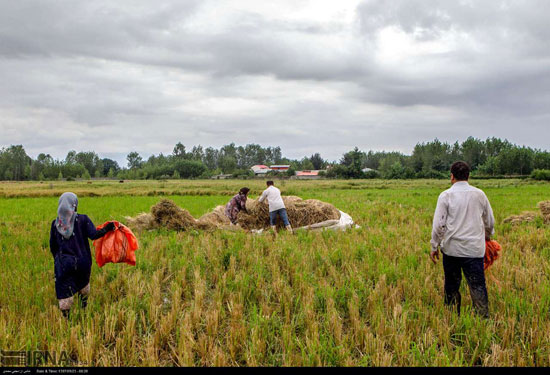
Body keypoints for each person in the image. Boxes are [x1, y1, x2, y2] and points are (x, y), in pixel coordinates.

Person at [430, 161, 495, 318]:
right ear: (468, 176)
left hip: (452, 250)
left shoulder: (446, 196)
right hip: (474, 250)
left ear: (452, 176)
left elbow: (439, 225)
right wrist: (487, 237)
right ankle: (483, 319)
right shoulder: (480, 194)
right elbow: (489, 221)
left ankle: (452, 317)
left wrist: (434, 246)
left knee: (452, 286)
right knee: (478, 285)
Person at [49, 192, 115, 318]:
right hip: (82, 262)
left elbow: (53, 246)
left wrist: (58, 261)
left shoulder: (55, 224)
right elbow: (94, 235)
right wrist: (108, 228)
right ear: (74, 205)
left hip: (64, 264)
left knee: (64, 289)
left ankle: (66, 318)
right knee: (83, 284)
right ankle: (83, 308)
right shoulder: (83, 219)